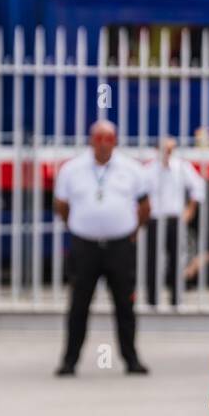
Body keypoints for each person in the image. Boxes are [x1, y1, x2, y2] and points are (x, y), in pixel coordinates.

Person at [54, 120, 152, 376]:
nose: (103, 145)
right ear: (91, 141)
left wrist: (132, 230)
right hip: (84, 246)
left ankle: (131, 359)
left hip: (119, 246)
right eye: (98, 139)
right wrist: (76, 225)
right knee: (78, 304)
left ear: (115, 142)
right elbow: (62, 205)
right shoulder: (71, 169)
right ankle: (69, 360)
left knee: (125, 304)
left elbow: (144, 206)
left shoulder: (132, 169)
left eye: (108, 140)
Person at [144, 137, 206, 310]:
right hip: (155, 219)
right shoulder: (149, 170)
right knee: (153, 261)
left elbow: (198, 186)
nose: (168, 152)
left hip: (174, 219)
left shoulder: (181, 167)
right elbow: (141, 193)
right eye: (166, 149)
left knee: (177, 260)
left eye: (171, 149)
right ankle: (152, 300)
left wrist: (190, 210)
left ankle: (176, 299)